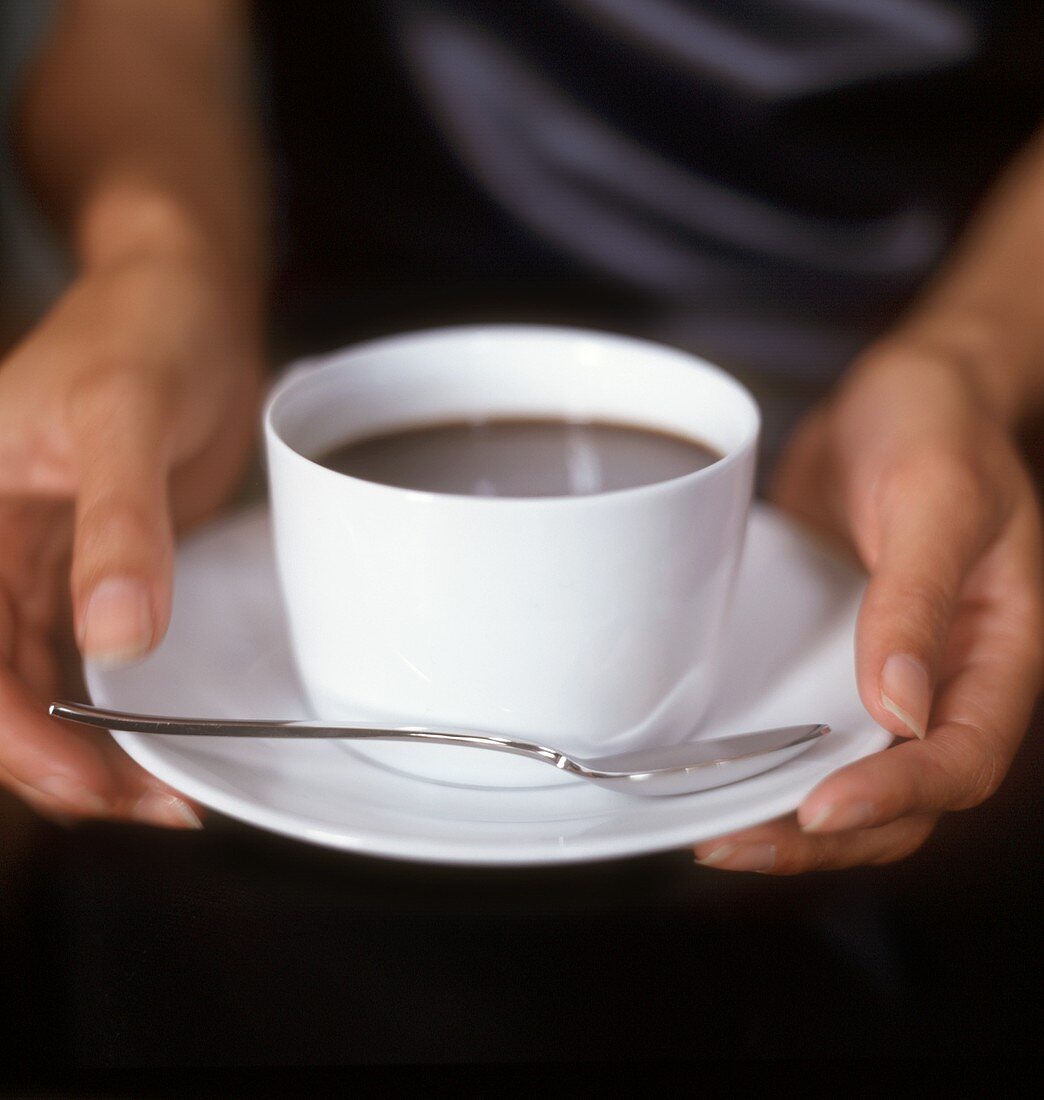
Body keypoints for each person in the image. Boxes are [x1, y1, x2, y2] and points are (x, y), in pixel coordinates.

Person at [1, 0, 1041, 878]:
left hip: (892, 461)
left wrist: (973, 356)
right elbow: (133, 35)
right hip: (304, 363)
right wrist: (159, 260)